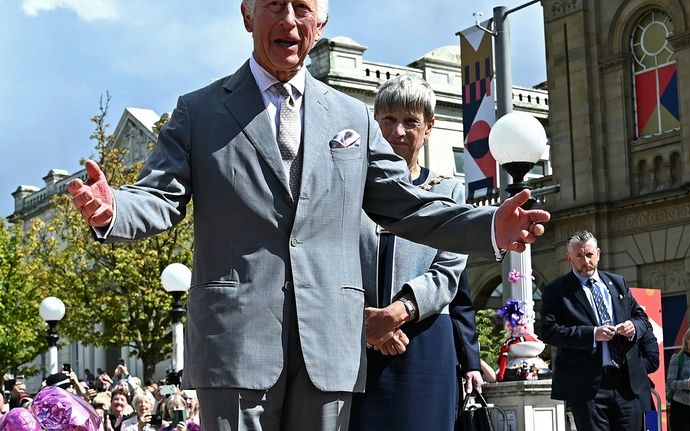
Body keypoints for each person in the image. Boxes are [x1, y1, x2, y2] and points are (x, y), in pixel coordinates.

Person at [65, 0, 550, 429]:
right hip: (236, 342)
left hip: (330, 345)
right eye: (275, 4)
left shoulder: (353, 117)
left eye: (301, 7)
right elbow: (160, 196)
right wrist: (113, 209)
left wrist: (490, 225)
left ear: (321, 21)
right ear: (247, 14)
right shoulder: (199, 112)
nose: (289, 20)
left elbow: (410, 206)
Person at [348, 75, 481, 430]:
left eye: (411, 121)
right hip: (353, 339)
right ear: (375, 122)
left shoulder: (450, 191)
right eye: (389, 119)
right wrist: (366, 322)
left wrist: (396, 313)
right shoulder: (346, 187)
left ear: (429, 127)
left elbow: (448, 271)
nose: (399, 131)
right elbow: (328, 258)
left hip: (421, 345)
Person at [539, 230, 651, 431]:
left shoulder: (617, 283)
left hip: (625, 383)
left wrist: (633, 326)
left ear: (598, 253)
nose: (586, 261)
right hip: (587, 388)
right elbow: (549, 331)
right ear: (569, 258)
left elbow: (642, 319)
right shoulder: (556, 291)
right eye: (579, 256)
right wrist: (592, 334)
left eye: (589, 255)